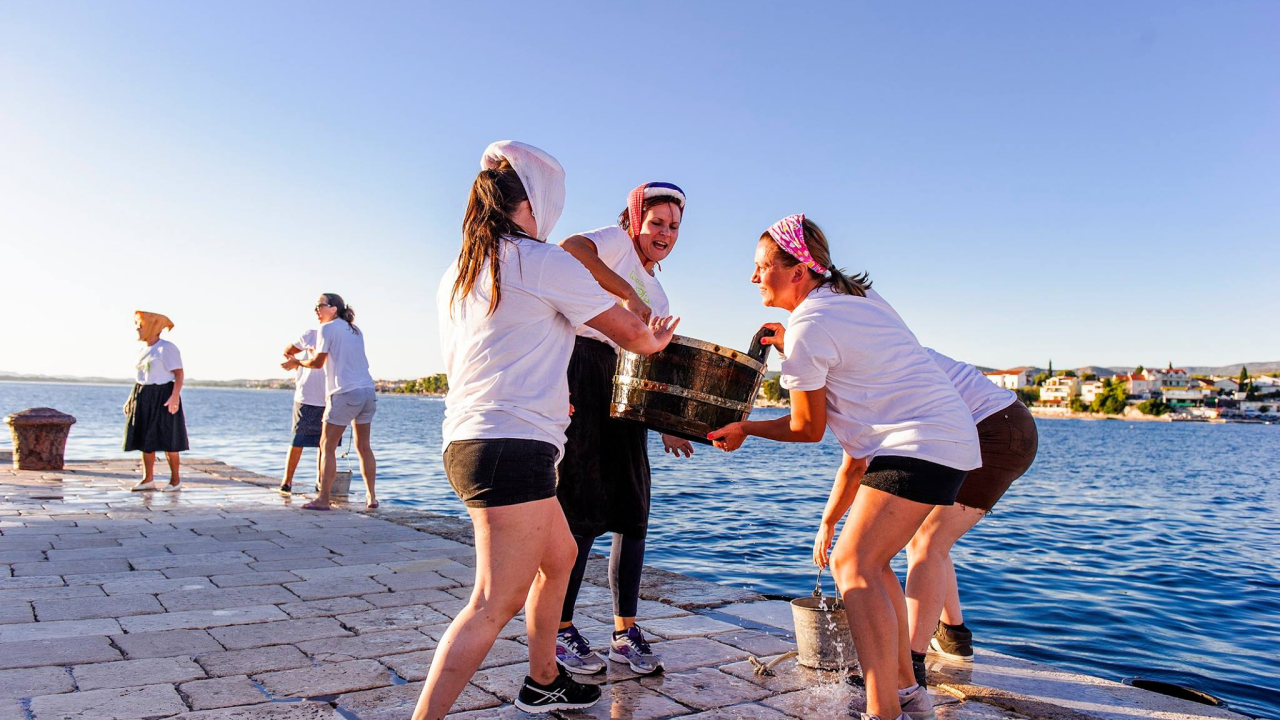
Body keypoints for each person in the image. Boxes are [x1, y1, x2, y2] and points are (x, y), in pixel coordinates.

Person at [411, 141, 678, 719]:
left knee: (557, 556)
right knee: (491, 600)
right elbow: (632, 336)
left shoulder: (461, 270)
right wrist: (655, 337)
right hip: (512, 447)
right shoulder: (544, 261)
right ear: (537, 202)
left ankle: (543, 680)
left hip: (471, 439)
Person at [708, 215, 980, 720]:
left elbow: (807, 429)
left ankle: (883, 710)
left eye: (761, 267)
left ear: (796, 271)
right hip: (945, 438)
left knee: (852, 564)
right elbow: (851, 360)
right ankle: (904, 693)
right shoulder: (853, 300)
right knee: (871, 566)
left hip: (919, 442)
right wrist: (792, 344)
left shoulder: (813, 323)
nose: (753, 278)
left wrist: (745, 428)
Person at [553, 181, 695, 676]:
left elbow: (648, 359)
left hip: (625, 389)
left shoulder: (658, 290)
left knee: (632, 510)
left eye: (674, 226)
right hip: (582, 371)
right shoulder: (616, 244)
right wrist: (626, 294)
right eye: (656, 222)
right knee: (580, 510)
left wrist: (667, 423)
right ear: (636, 219)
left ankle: (623, 631)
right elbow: (571, 248)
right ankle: (560, 626)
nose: (665, 233)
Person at [903, 349, 1037, 685]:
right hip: (996, 426)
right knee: (926, 537)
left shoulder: (880, 352)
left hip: (994, 431)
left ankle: (907, 667)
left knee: (927, 543)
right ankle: (953, 636)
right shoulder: (882, 340)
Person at [282, 294, 377, 510]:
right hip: (367, 391)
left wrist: (297, 362)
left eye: (320, 306)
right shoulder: (355, 329)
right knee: (363, 446)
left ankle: (323, 499)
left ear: (333, 309)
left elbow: (317, 363)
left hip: (344, 392)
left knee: (327, 446)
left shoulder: (327, 329)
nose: (316, 310)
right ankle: (371, 498)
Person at [124, 311, 188, 492]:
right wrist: (131, 399)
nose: (137, 328)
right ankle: (148, 479)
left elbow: (179, 374)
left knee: (169, 438)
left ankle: (175, 481)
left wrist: (174, 396)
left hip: (163, 394)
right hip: (143, 394)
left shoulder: (166, 348)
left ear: (152, 327)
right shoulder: (142, 350)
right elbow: (140, 379)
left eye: (141, 325)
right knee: (145, 438)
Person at [277, 326, 327, 494]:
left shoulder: (338, 337)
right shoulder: (311, 335)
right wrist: (297, 367)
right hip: (306, 395)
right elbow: (288, 350)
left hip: (330, 396)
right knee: (297, 440)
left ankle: (321, 482)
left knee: (326, 444)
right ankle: (287, 481)